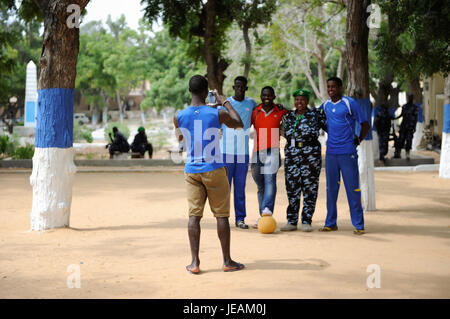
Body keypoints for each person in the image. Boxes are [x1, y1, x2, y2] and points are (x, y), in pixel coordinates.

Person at [173, 74, 245, 274]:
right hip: (214, 169)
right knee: (221, 216)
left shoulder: (178, 115)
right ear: (206, 92)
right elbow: (239, 123)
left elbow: (180, 139)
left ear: (190, 91)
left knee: (194, 217)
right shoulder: (218, 113)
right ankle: (227, 261)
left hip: (192, 171)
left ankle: (194, 263)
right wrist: (225, 102)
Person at [319, 77, 370, 235]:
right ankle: (331, 223)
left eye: (333, 86)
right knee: (331, 189)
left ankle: (358, 225)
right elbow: (318, 118)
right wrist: (331, 132)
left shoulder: (350, 103)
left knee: (352, 189)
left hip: (348, 152)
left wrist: (358, 139)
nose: (330, 89)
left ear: (340, 87)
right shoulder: (326, 105)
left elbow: (365, 124)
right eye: (328, 87)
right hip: (331, 153)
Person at [280, 89, 327, 232]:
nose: (299, 102)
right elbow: (283, 131)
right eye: (296, 99)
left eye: (302, 99)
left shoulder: (316, 115)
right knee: (292, 188)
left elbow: (329, 127)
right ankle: (292, 221)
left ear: (307, 101)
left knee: (310, 188)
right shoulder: (289, 116)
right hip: (292, 156)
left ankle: (306, 220)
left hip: (310, 155)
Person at [220, 76, 257, 229]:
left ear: (246, 88)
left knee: (240, 188)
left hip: (243, 153)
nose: (240, 89)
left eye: (242, 87)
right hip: (226, 153)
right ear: (233, 87)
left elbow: (259, 117)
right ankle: (223, 218)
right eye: (237, 86)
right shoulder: (225, 104)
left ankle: (240, 219)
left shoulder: (251, 103)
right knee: (225, 188)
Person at [250, 86, 288, 227]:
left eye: (269, 95)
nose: (267, 97)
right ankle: (263, 217)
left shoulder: (281, 111)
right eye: (264, 95)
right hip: (256, 152)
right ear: (261, 96)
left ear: (274, 97)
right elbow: (243, 125)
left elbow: (291, 121)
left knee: (270, 179)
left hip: (273, 150)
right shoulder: (255, 112)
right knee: (260, 186)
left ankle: (267, 210)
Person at [394, 94, 419, 159]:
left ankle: (407, 154)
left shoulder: (414, 107)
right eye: (409, 97)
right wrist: (394, 118)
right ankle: (398, 153)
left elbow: (416, 118)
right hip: (404, 126)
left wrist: (415, 127)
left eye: (411, 97)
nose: (410, 99)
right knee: (401, 140)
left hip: (409, 127)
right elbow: (401, 115)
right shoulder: (405, 106)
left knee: (408, 140)